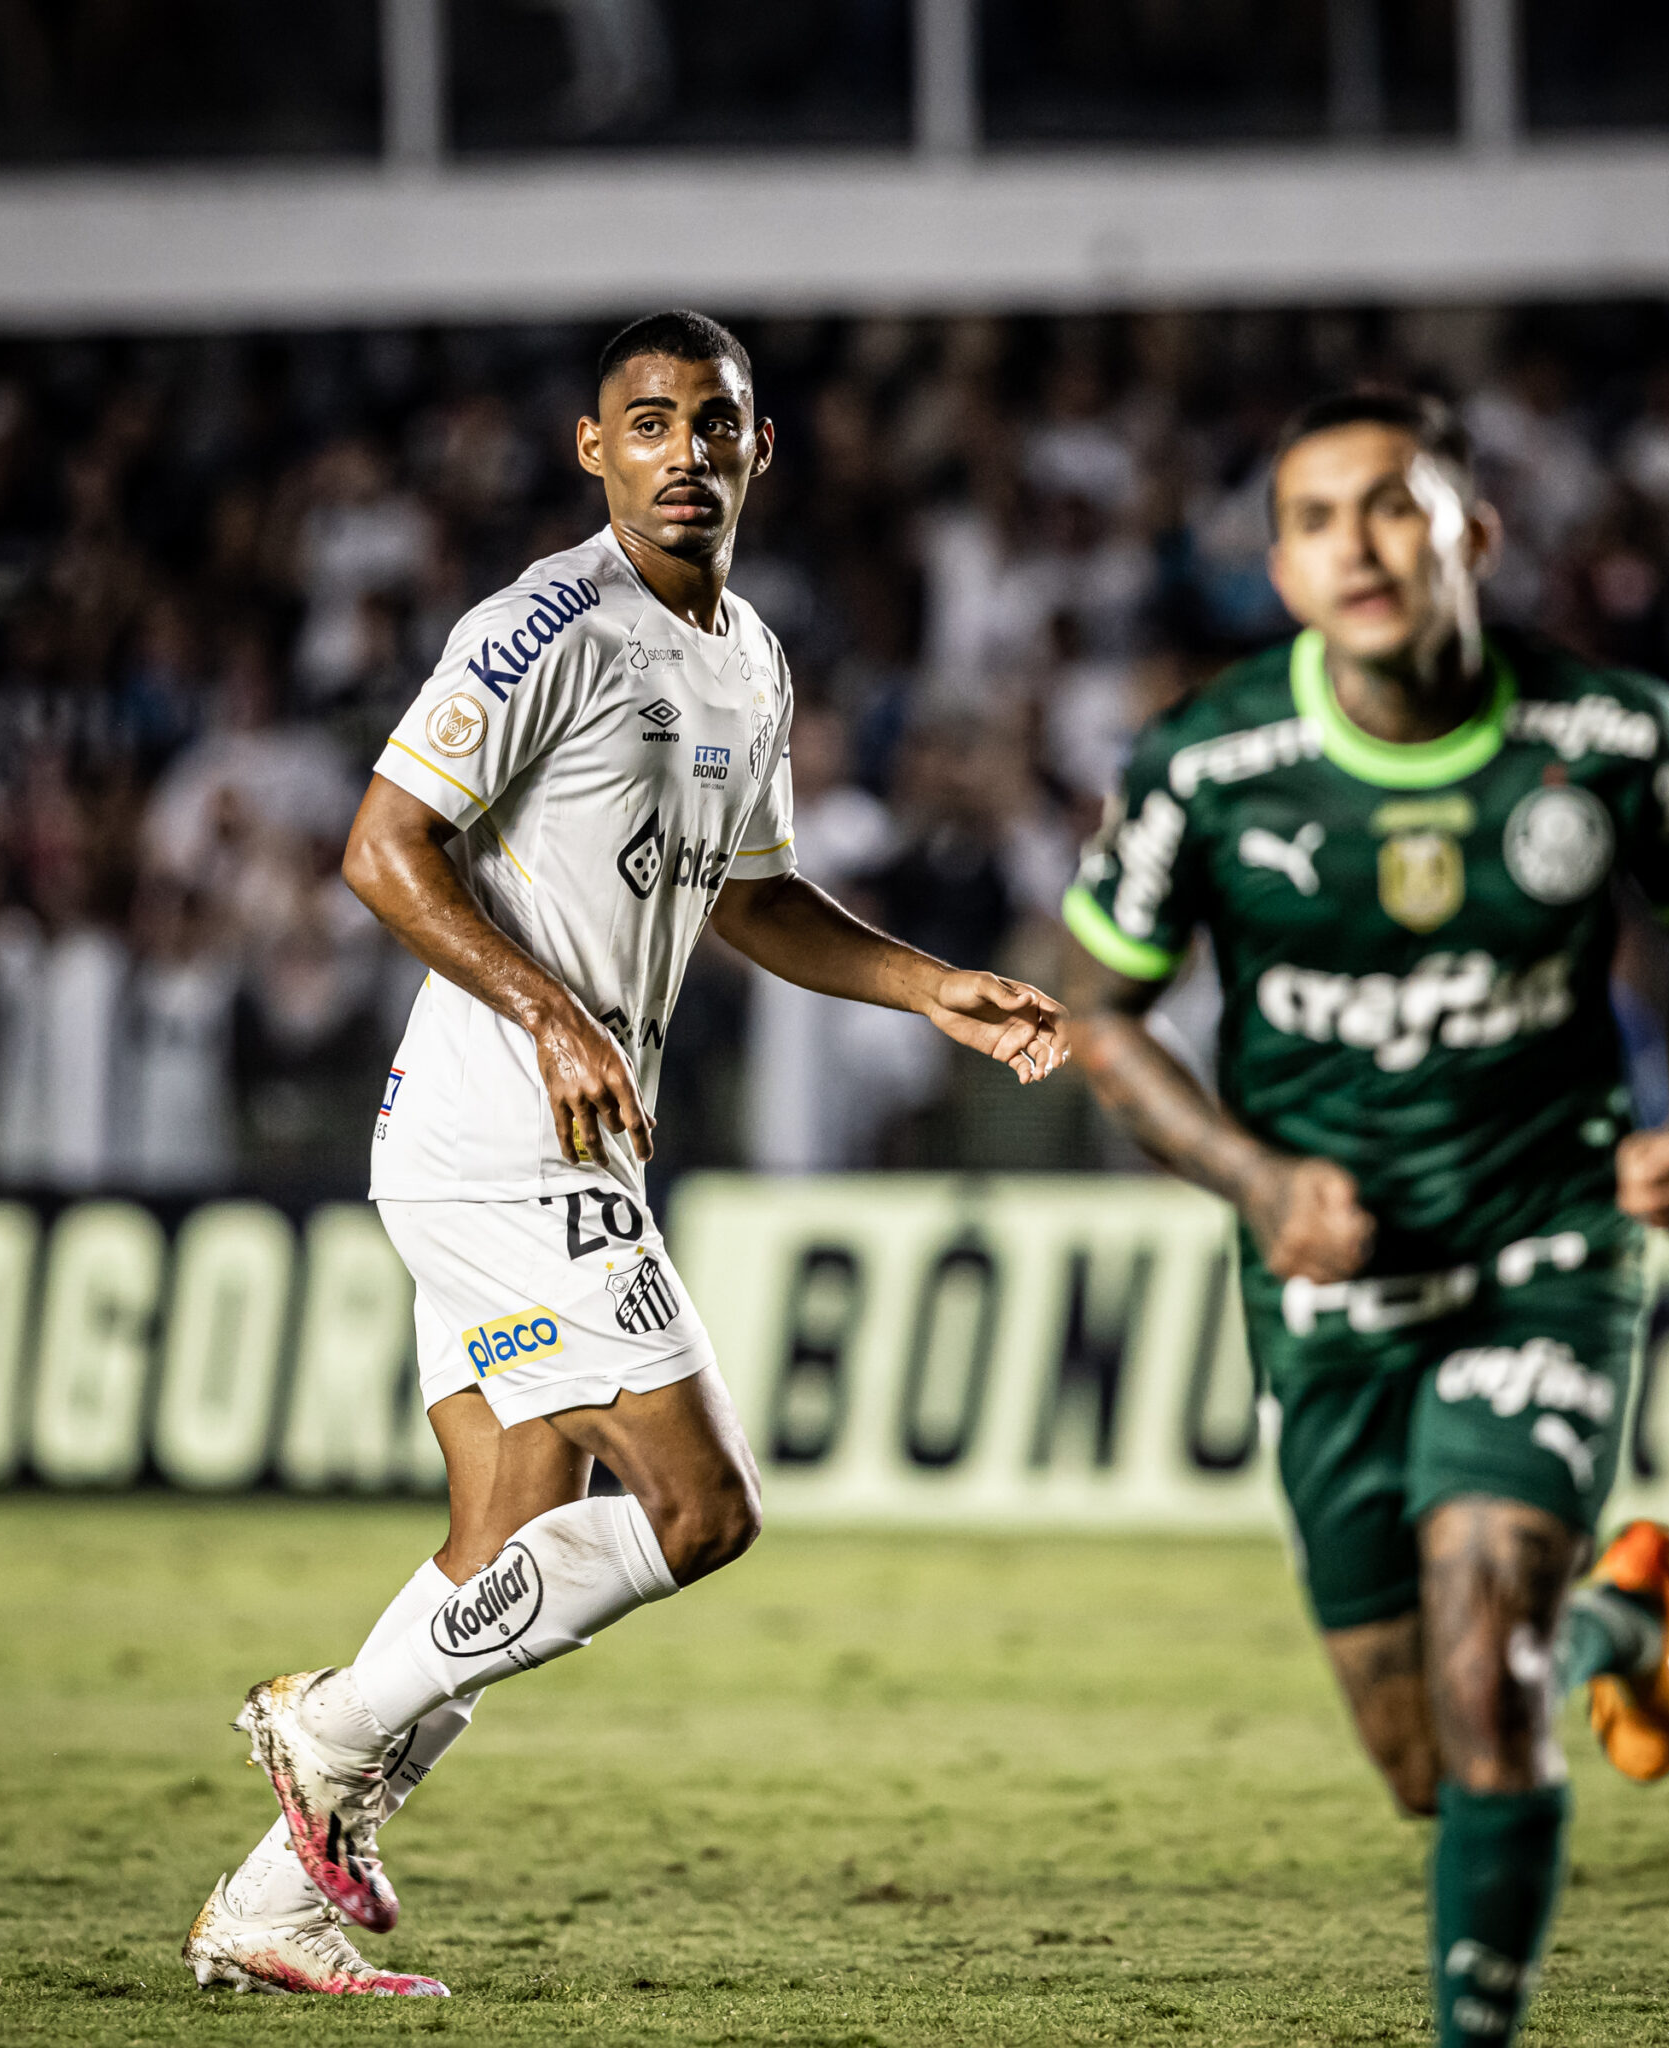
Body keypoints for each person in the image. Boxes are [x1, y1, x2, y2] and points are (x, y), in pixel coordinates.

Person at [179, 311, 1070, 1997]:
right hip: (506, 1133)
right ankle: (333, 1723)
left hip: (548, 1139)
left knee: (505, 1540)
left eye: (713, 422)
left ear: (759, 449)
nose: (685, 452)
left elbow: (752, 898)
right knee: (703, 1507)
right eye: (647, 422)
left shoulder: (753, 660)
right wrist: (550, 1014)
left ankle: (271, 1904)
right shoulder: (543, 624)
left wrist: (927, 985)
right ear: (594, 450)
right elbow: (382, 847)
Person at [1062, 387, 1669, 2048]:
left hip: (1544, 1247)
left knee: (1484, 1682)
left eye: (1393, 504)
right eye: (1316, 520)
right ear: (1280, 571)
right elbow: (1100, 1013)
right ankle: (1618, 1617)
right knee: (1423, 1761)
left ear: (1475, 533)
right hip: (1330, 1287)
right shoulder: (1210, 763)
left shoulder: (1612, 736)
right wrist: (1260, 1180)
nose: (1359, 546)